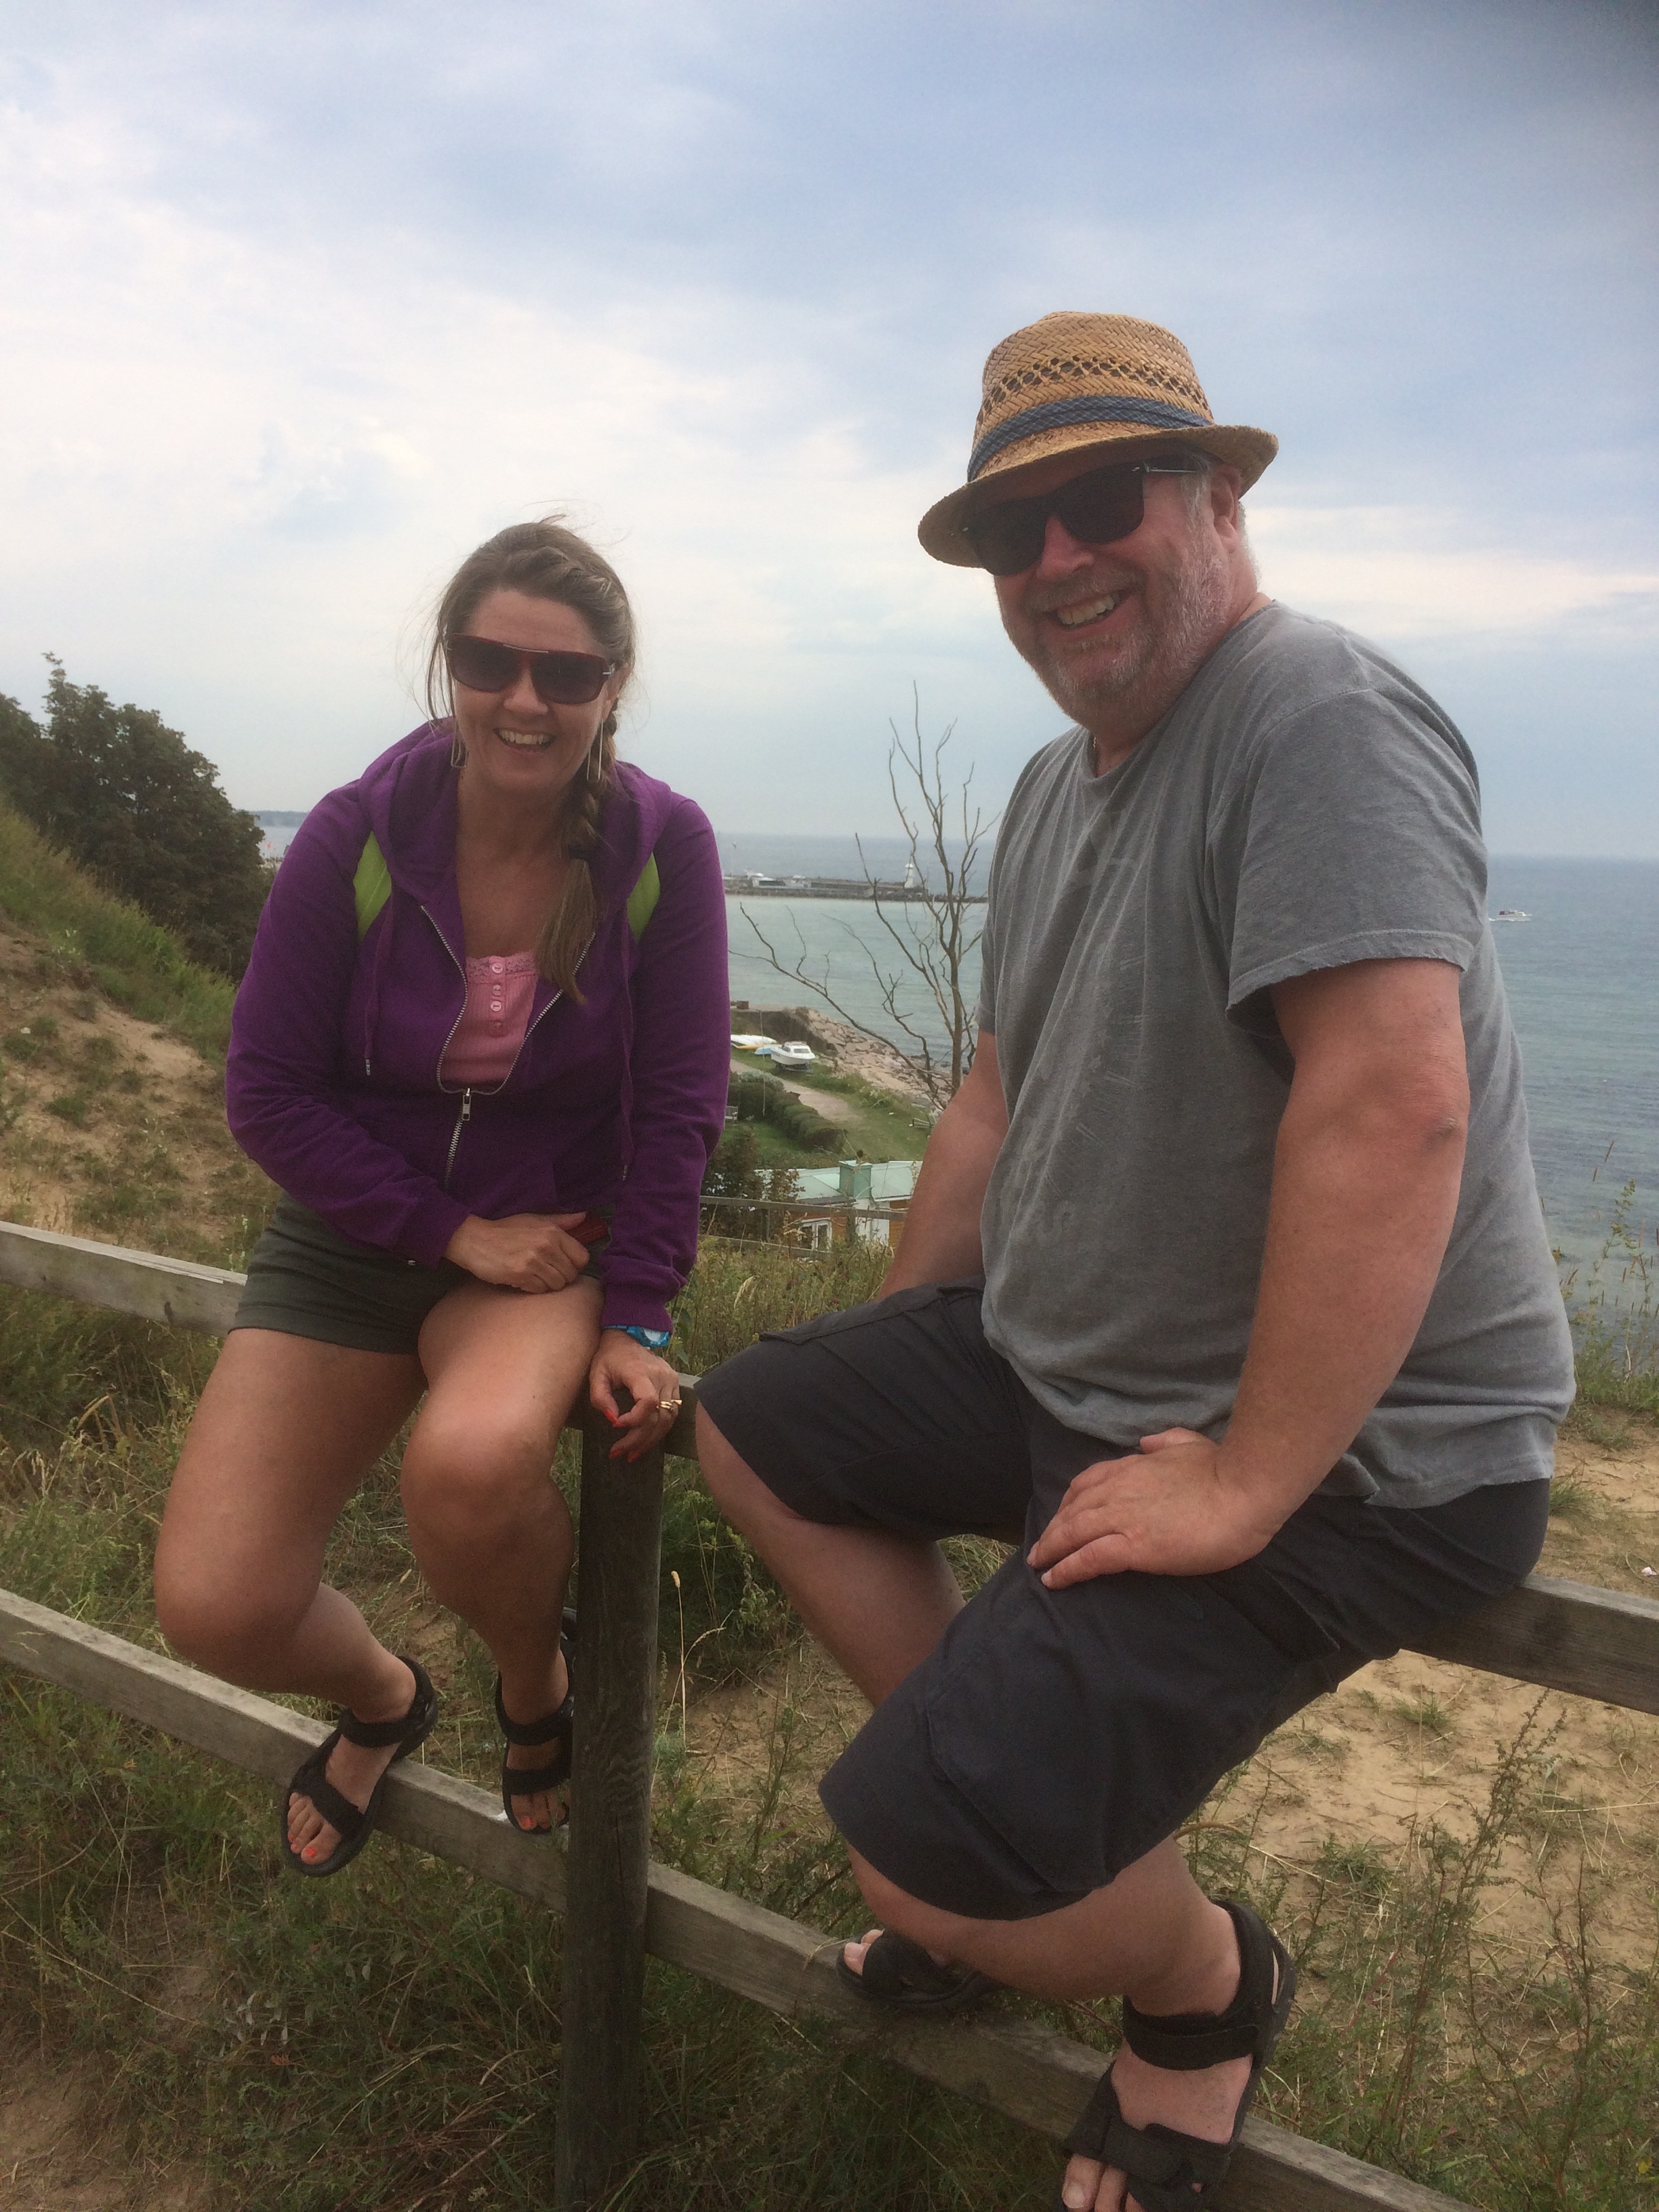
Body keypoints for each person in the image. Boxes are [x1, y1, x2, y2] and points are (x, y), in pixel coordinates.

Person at [695, 314, 1573, 2212]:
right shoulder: (1053, 787)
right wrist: (908, 1348)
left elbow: (1391, 1107)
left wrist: (1248, 1479)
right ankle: (1019, 1846)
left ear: (1219, 498)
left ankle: (1195, 1986)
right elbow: (993, 1101)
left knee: (918, 1862)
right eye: (1015, 532)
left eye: (1104, 499)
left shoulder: (1315, 715)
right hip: (1081, 1374)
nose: (1059, 558)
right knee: (761, 1424)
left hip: (1363, 1455)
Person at [155, 518, 729, 1877]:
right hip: (364, 1232)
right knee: (217, 1607)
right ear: (449, 665)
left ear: (610, 690)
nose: (525, 699)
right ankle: (385, 1697)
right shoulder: (356, 834)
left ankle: (534, 1684)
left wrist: (639, 1317)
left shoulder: (661, 846)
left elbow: (678, 1106)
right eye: (491, 662)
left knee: (469, 1468)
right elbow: (265, 1092)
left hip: (551, 1240)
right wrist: (451, 1230)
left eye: (566, 674)